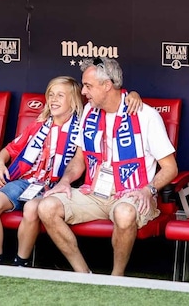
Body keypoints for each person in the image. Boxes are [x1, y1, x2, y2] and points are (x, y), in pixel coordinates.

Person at [0, 76, 144, 267]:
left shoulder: (83, 124)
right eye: (51, 95)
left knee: (32, 208)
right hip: (26, 181)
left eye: (60, 95)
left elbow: (115, 101)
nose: (54, 99)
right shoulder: (39, 124)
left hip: (52, 185)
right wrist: (0, 163)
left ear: (74, 100)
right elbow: (9, 150)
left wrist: (133, 95)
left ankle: (21, 263)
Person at [37, 57, 177, 276]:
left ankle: (116, 278)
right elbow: (79, 159)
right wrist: (64, 182)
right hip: (94, 192)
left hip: (133, 193)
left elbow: (170, 168)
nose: (83, 92)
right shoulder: (88, 113)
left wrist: (148, 190)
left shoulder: (145, 115)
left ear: (107, 85)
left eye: (88, 86)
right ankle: (83, 273)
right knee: (46, 207)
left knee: (123, 212)